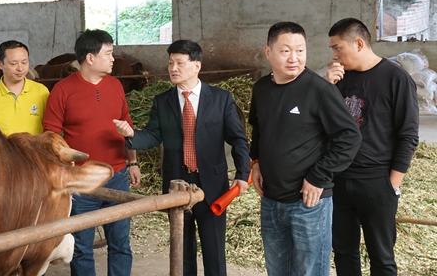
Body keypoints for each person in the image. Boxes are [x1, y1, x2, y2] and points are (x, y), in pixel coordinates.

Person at [113, 39, 250, 276]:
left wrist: (242, 174)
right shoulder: (162, 101)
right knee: (182, 250)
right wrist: (132, 134)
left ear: (196, 66)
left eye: (179, 63)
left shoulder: (221, 99)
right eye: (170, 63)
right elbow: (154, 136)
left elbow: (238, 139)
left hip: (212, 185)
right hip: (176, 183)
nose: (173, 68)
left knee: (214, 250)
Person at [249, 21, 362, 276]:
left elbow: (349, 137)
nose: (294, 58)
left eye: (300, 50)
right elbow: (258, 129)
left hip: (309, 203)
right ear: (268, 52)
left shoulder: (318, 89)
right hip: (271, 200)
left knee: (309, 271)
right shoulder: (261, 89)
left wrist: (318, 176)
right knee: (277, 270)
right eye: (286, 50)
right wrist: (255, 161)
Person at [43, 29, 141, 276]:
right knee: (81, 246)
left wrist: (133, 163)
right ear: (90, 58)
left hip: (117, 175)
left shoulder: (116, 85)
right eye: (108, 53)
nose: (113, 59)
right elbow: (51, 136)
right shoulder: (62, 91)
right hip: (81, 181)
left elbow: (128, 125)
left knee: (120, 244)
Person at [326, 18, 419, 276]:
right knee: (344, 252)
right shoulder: (337, 80)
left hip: (377, 181)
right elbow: (322, 127)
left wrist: (392, 184)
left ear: (358, 43)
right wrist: (326, 88)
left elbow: (408, 135)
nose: (334, 55)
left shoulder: (396, 78)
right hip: (339, 180)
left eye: (337, 48)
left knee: (381, 255)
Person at [0, 40, 49, 136]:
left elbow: (51, 128)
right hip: (1, 151)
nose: (20, 68)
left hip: (35, 150)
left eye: (24, 62)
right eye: (14, 64)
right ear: (0, 64)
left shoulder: (41, 91)